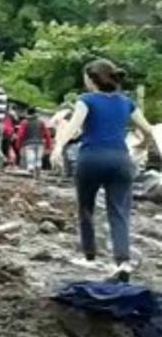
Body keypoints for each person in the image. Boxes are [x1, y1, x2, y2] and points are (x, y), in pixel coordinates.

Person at [52, 60, 160, 282]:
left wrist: (57, 147)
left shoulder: (87, 100)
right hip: (120, 160)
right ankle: (122, 262)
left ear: (92, 79)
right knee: (119, 211)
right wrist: (142, 144)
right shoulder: (126, 102)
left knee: (86, 208)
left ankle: (89, 256)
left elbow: (73, 127)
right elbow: (148, 129)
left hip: (91, 158)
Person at [15, 107, 51, 178]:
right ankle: (38, 168)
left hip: (28, 143)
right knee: (38, 158)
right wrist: (48, 145)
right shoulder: (41, 122)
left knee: (30, 158)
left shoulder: (24, 123)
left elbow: (20, 135)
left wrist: (18, 145)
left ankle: (31, 170)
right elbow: (47, 134)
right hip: (40, 143)